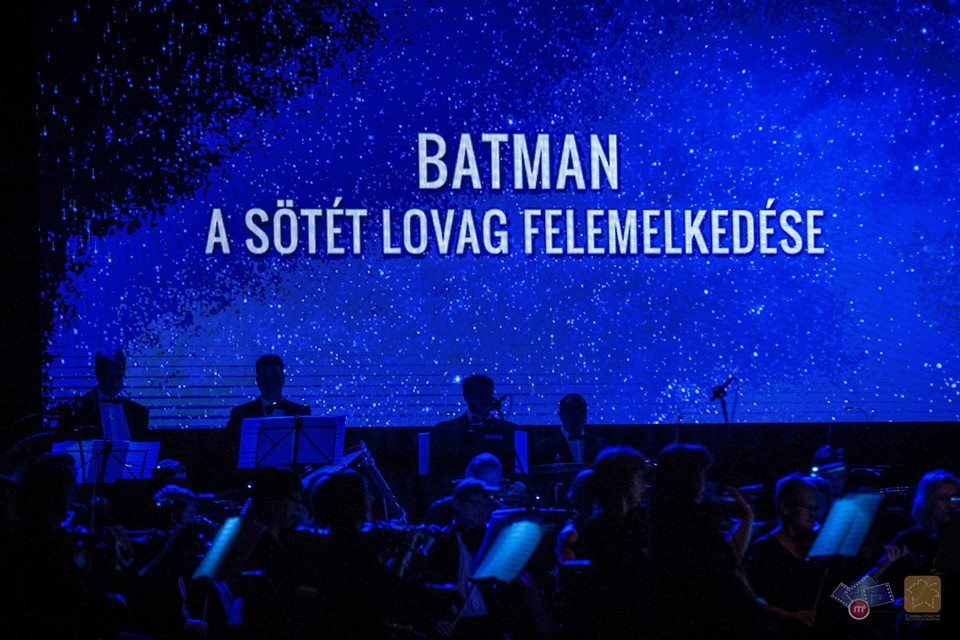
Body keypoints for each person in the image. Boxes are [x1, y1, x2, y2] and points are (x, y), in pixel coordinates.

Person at [223, 354, 310, 470]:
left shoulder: (302, 412)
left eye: (275, 378)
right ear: (258, 381)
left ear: (283, 379)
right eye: (265, 379)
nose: (271, 384)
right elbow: (230, 453)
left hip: (291, 478)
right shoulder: (240, 414)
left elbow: (308, 455)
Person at [432, 374, 519, 486]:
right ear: (467, 397)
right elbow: (440, 470)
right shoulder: (445, 430)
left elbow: (518, 470)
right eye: (481, 395)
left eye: (489, 395)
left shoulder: (510, 430)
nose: (487, 400)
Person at [57, 348, 150, 441]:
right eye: (109, 376)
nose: (114, 383)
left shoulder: (139, 413)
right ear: (98, 374)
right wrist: (78, 430)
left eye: (118, 376)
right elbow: (71, 433)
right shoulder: (78, 409)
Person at [535, 394, 606, 466]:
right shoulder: (545, 448)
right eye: (571, 414)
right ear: (560, 416)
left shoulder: (600, 445)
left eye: (581, 413)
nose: (577, 418)